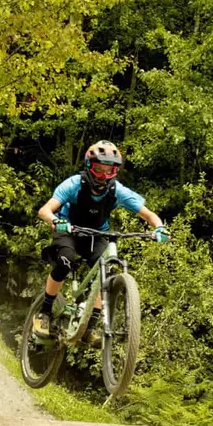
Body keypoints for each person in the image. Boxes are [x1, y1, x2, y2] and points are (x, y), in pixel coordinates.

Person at [33, 140, 169, 347]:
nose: (104, 175)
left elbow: (149, 214)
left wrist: (159, 228)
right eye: (99, 169)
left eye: (110, 170)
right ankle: (44, 312)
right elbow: (45, 210)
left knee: (108, 273)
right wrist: (56, 221)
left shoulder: (117, 190)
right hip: (68, 229)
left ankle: (91, 327)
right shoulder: (74, 184)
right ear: (89, 165)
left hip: (96, 235)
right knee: (65, 261)